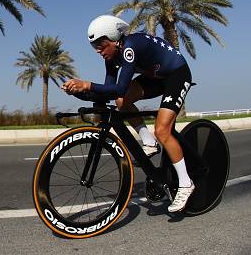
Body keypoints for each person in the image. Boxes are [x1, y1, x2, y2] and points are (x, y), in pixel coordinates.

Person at [61, 14, 195, 212]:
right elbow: (108, 91)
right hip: (156, 79)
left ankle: (186, 184)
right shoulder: (112, 57)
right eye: (94, 46)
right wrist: (80, 93)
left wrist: (87, 84)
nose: (98, 50)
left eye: (101, 44)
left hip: (177, 74)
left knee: (163, 130)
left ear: (115, 40)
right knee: (121, 102)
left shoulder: (130, 47)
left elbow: (120, 87)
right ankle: (148, 141)